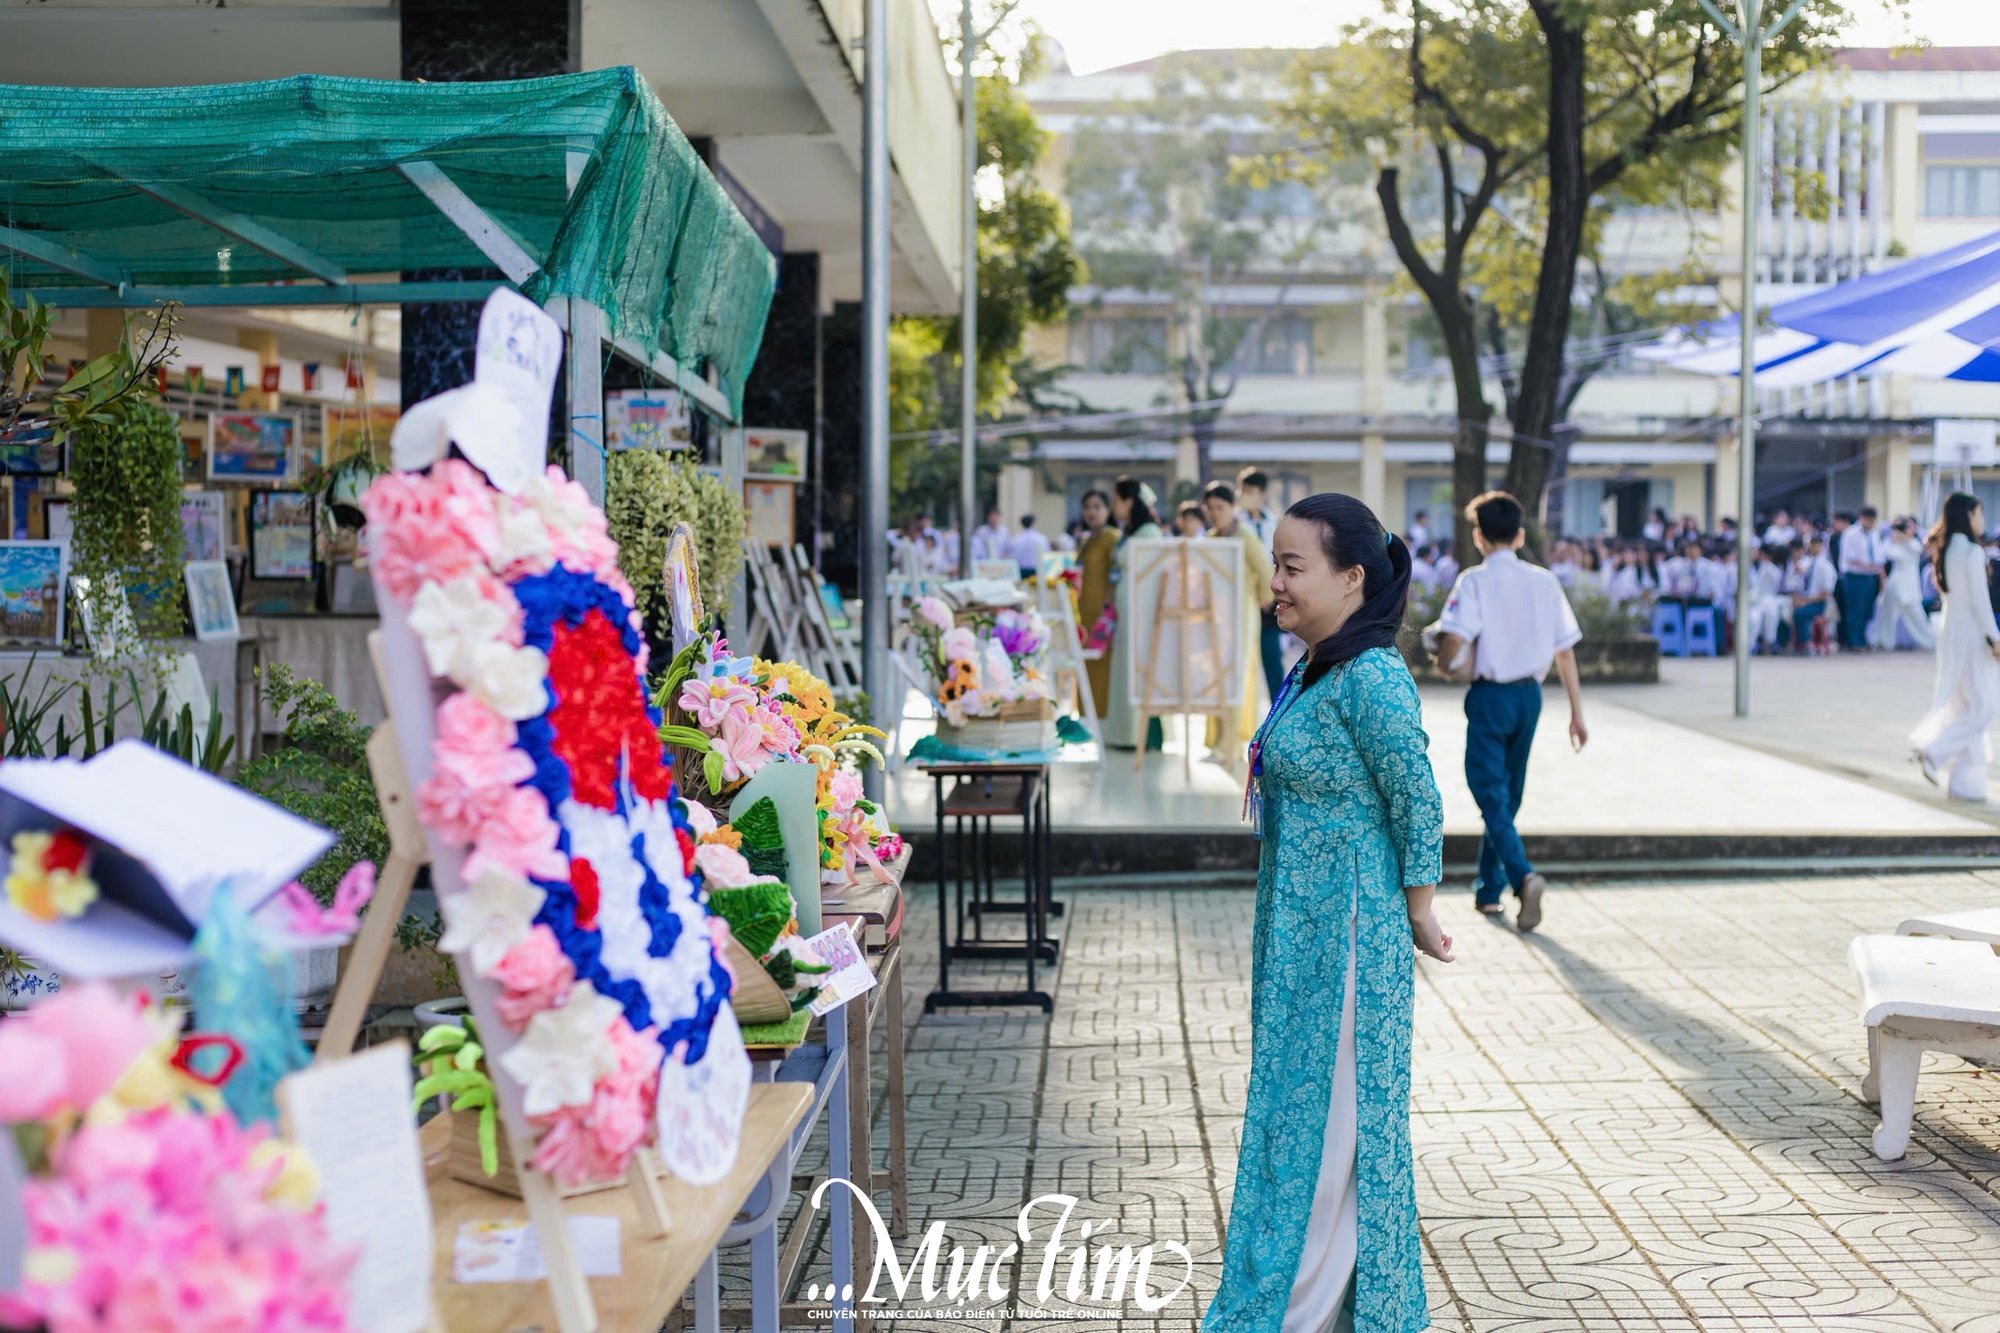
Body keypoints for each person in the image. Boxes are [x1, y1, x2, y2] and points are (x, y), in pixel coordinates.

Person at [1205, 493, 1448, 1333]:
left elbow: (1417, 795)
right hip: (1298, 933)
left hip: (1348, 940)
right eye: (1275, 564)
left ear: (1351, 578)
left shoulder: (1372, 676)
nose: (1275, 582)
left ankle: (1297, 1312)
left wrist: (1419, 908)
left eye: (1291, 566)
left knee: (1327, 1131)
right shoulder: (1317, 667)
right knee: (1296, 1119)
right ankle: (1304, 1302)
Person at [1431, 492, 1588, 932]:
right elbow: (1566, 653)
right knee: (1507, 796)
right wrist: (1576, 713)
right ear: (1520, 535)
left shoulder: (1474, 581)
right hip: (1530, 699)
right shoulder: (1545, 581)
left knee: (1489, 792)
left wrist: (1442, 665)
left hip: (1490, 697)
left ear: (1478, 536)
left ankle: (1523, 877)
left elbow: (1455, 639)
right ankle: (1487, 890)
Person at [1912, 492, 2000, 800]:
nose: (1983, 520)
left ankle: (1966, 785)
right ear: (1969, 516)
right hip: (1972, 636)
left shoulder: (1947, 548)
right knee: (1985, 707)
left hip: (1950, 633)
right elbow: (1980, 602)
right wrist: (1995, 638)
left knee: (1963, 706)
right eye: (1980, 513)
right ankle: (1934, 750)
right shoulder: (1973, 552)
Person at [1204, 481, 1276, 743]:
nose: (1214, 513)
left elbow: (1266, 571)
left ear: (1232, 507)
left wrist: (1263, 597)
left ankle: (1233, 739)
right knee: (1215, 675)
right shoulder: (1210, 539)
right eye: (1210, 508)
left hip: (1243, 615)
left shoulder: (1244, 536)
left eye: (1220, 507)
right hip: (1215, 615)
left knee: (1238, 673)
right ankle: (1216, 739)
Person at [1104, 477, 1165, 750]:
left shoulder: (1150, 533)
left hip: (1141, 612)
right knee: (1125, 669)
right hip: (1127, 610)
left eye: (1116, 500)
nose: (1113, 506)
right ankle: (1123, 733)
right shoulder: (1131, 532)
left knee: (1137, 669)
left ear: (1129, 502)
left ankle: (1137, 736)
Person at [1237, 468, 1284, 706]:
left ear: (1262, 494)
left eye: (1251, 492)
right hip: (1241, 599)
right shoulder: (1235, 523)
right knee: (1240, 660)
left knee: (1271, 656)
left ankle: (1279, 710)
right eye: (1243, 491)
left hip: (1268, 601)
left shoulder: (1274, 523)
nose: (1245, 496)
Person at [1075, 490, 1118, 717]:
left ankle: (1103, 719)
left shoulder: (1112, 537)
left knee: (1103, 665)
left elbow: (1115, 575)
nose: (1091, 512)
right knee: (1086, 666)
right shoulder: (1086, 539)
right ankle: (1086, 718)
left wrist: (1107, 609)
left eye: (1097, 506)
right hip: (1084, 611)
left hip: (1103, 613)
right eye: (1087, 507)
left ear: (1108, 510)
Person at [1871, 518, 1935, 651]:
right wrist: (1895, 540)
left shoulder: (1913, 543)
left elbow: (1918, 549)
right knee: (1886, 615)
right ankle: (1883, 642)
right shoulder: (1891, 542)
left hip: (1909, 584)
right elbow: (1888, 554)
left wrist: (1905, 538)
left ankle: (1929, 642)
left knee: (1917, 617)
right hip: (1894, 583)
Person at [1839, 507, 1885, 650]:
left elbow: (1879, 556)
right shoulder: (1851, 533)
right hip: (1854, 576)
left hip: (1870, 576)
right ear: (1861, 518)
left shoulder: (1873, 534)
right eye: (1867, 519)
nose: (1870, 523)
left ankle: (1863, 639)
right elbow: (1849, 558)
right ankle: (1854, 641)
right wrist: (1869, 565)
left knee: (1867, 610)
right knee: (1855, 609)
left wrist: (1878, 571)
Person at [1006, 514, 1051, 579]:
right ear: (1033, 524)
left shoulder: (1015, 539)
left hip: (1020, 570)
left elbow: (1011, 556)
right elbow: (1047, 554)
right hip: (1036, 570)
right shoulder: (1041, 538)